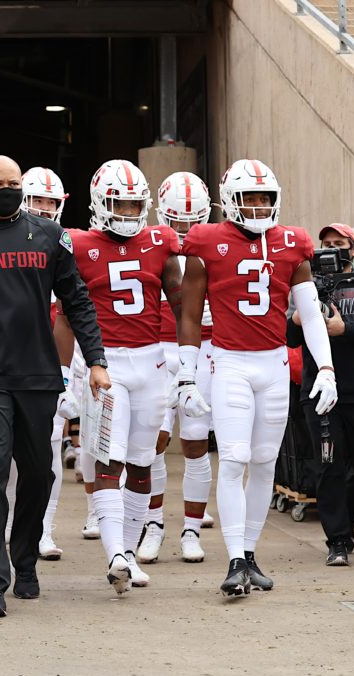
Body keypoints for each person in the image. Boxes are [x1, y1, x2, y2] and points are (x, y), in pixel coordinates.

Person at [0, 155, 110, 618]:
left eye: (14, 182)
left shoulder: (51, 236)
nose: (6, 189)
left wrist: (96, 361)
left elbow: (78, 302)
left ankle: (24, 558)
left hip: (37, 375)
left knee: (38, 473)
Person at [175, 159, 338, 597]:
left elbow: (310, 313)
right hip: (229, 362)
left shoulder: (291, 242)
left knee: (265, 461)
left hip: (274, 363)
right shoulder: (207, 241)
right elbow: (190, 315)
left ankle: (249, 554)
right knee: (233, 457)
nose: (259, 205)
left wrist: (326, 367)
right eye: (250, 197)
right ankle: (232, 559)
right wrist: (186, 376)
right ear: (230, 200)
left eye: (265, 197)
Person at [54, 159, 181, 592]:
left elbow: (181, 305)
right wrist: (61, 376)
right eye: (119, 205)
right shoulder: (76, 243)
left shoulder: (161, 240)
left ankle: (128, 552)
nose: (127, 214)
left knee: (143, 462)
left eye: (133, 205)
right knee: (108, 460)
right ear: (100, 204)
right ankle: (114, 554)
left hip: (151, 362)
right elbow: (65, 317)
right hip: (104, 363)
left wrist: (188, 367)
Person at [287, 223, 354, 566]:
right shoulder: (304, 289)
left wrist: (344, 329)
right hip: (317, 393)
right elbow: (287, 336)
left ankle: (342, 522)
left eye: (339, 243)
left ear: (353, 249)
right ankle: (338, 541)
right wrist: (300, 319)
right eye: (326, 244)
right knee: (328, 465)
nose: (332, 249)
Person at [138, 171, 217, 565]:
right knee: (153, 441)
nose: (185, 230)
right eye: (177, 221)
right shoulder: (151, 245)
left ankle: (190, 528)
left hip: (202, 351)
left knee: (196, 443)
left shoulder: (219, 245)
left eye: (193, 221)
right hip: (157, 348)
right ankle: (153, 524)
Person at [20, 165, 72, 560]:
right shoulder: (5, 236)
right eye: (36, 199)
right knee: (3, 452)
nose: (43, 207)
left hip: (51, 361)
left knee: (50, 447)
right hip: (12, 357)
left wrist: (70, 372)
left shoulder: (67, 242)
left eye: (50, 202)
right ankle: (9, 527)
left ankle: (44, 529)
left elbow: (76, 310)